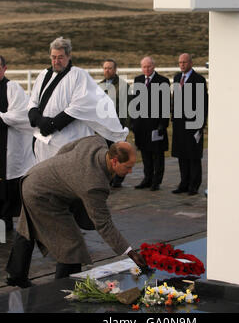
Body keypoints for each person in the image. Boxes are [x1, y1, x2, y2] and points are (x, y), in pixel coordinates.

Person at [6, 135, 147, 288]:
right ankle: (63, 292)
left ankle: (16, 275)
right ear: (114, 161)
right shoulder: (94, 184)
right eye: (128, 167)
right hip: (42, 195)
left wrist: (62, 172)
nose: (131, 171)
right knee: (72, 245)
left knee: (27, 226)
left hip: (34, 176)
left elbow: (66, 149)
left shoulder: (96, 141)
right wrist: (130, 253)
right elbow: (104, 225)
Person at [28, 37, 128, 163]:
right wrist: (38, 120)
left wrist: (53, 124)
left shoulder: (78, 75)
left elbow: (80, 105)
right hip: (42, 139)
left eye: (60, 57)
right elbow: (33, 101)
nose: (56, 61)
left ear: (69, 56)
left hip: (68, 140)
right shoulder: (44, 75)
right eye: (53, 57)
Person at [0, 56, 35, 232]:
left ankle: (6, 228)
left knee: (7, 192)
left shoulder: (11, 88)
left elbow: (22, 114)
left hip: (8, 147)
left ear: (4, 68)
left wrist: (1, 117)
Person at [172, 53, 208, 196]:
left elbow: (202, 104)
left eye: (185, 62)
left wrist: (200, 125)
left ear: (191, 63)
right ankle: (183, 183)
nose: (182, 65)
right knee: (182, 155)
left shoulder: (198, 80)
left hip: (193, 123)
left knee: (193, 156)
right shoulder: (177, 78)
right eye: (180, 62)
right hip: (179, 124)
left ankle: (194, 185)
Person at [132, 56, 170, 191]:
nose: (146, 69)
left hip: (156, 125)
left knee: (158, 155)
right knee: (145, 154)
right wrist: (133, 123)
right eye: (144, 67)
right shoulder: (138, 80)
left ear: (153, 66)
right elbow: (135, 103)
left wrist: (162, 125)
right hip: (142, 126)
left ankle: (156, 181)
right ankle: (147, 178)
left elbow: (165, 106)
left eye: (149, 66)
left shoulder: (163, 81)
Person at [99, 59, 132, 188]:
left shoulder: (123, 86)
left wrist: (126, 128)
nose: (107, 70)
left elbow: (129, 109)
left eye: (110, 68)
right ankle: (108, 178)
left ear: (115, 70)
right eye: (105, 68)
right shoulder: (99, 86)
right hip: (103, 129)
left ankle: (118, 179)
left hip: (117, 128)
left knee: (119, 155)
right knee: (106, 155)